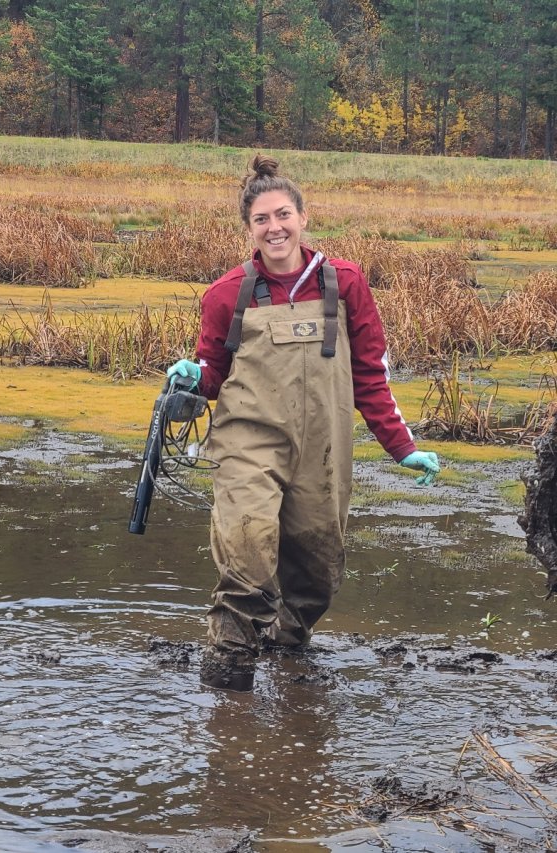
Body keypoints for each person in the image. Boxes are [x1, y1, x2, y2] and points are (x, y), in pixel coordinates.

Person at [167, 155, 439, 693]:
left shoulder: (346, 283)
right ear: (249, 229)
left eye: (283, 214)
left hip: (322, 448)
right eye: (262, 219)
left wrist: (401, 447)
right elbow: (213, 374)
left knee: (317, 572)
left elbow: (370, 373)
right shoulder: (227, 294)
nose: (275, 228)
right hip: (250, 442)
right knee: (247, 556)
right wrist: (190, 378)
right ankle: (227, 681)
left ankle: (285, 652)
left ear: (303, 216)